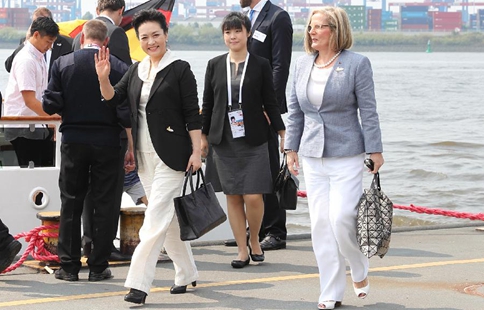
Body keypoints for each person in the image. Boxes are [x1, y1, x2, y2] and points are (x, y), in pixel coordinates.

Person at [94, 9, 201, 304]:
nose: (151, 41)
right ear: (137, 40)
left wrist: (196, 151)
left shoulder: (180, 68)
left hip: (173, 156)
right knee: (166, 219)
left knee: (153, 219)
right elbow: (113, 99)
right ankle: (187, 271)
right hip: (143, 155)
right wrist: (103, 79)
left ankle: (138, 284)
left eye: (156, 35)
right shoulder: (136, 69)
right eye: (144, 37)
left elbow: (193, 115)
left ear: (166, 35)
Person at [284, 7, 384, 309]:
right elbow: (295, 111)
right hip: (313, 155)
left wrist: (375, 150)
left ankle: (358, 265)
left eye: (318, 27)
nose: (311, 32)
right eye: (310, 27)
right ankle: (330, 292)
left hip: (348, 153)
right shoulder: (301, 65)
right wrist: (291, 148)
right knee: (320, 225)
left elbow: (368, 111)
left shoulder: (357, 64)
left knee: (341, 219)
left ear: (336, 30)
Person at [42, 19, 130, 282]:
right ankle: (98, 265)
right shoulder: (121, 67)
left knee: (71, 202)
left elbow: (50, 103)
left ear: (81, 39)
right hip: (108, 142)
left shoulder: (62, 63)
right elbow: (126, 112)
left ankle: (68, 267)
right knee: (105, 203)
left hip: (74, 140)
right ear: (106, 42)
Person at [201, 12, 285, 269]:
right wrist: (203, 137)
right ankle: (241, 249)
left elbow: (270, 102)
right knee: (233, 196)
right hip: (223, 141)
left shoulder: (260, 64)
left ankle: (255, 239)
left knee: (253, 196)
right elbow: (207, 103)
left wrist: (283, 134)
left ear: (248, 33)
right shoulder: (214, 64)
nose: (232, 36)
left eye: (237, 31)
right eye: (227, 32)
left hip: (254, 139)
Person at [73, 0, 133, 262]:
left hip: (78, 131)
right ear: (120, 11)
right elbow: (125, 82)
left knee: (85, 193)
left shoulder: (79, 37)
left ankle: (88, 244)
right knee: (109, 192)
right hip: (110, 130)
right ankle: (104, 247)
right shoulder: (116, 34)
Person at [231, 0, 293, 251]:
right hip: (241, 108)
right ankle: (253, 230)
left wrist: (271, 106)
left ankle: (276, 231)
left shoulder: (277, 17)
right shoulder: (245, 17)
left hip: (265, 110)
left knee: (267, 168)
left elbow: (281, 65)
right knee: (247, 166)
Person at [2, 17, 59, 168]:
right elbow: (30, 100)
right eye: (48, 41)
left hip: (36, 124)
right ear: (36, 35)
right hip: (22, 126)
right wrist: (54, 118)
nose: (50, 46)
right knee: (30, 175)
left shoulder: (38, 58)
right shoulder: (26, 60)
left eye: (52, 42)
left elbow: (41, 95)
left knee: (42, 171)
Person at [4, 7, 73, 79]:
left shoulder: (68, 43)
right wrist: (27, 41)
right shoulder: (26, 43)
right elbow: (9, 67)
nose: (39, 27)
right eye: (35, 24)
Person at [72, 0, 131, 65]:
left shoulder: (78, 35)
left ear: (97, 10)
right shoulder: (116, 32)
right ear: (121, 11)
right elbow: (126, 69)